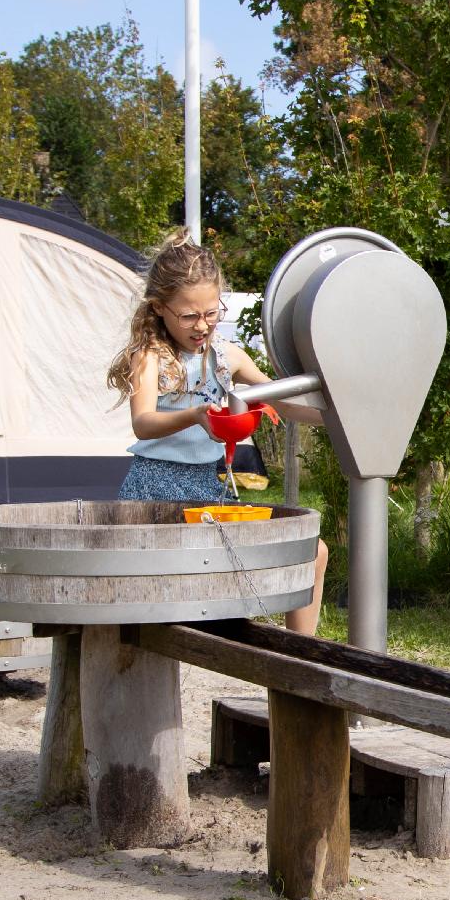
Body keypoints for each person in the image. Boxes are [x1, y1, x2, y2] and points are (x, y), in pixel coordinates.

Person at [109, 235, 322, 636]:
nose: (202, 325)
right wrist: (194, 415)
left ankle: (301, 658)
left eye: (211, 312)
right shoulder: (151, 356)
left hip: (207, 490)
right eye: (189, 316)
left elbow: (284, 401)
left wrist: (341, 416)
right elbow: (143, 422)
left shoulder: (228, 357)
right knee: (152, 605)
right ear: (160, 308)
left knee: (313, 552)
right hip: (154, 490)